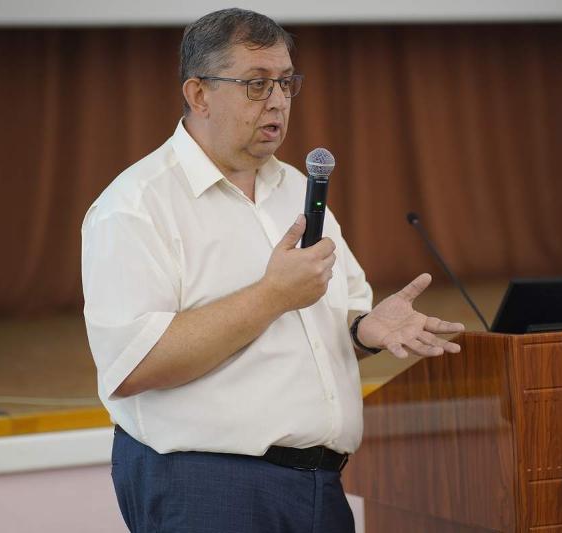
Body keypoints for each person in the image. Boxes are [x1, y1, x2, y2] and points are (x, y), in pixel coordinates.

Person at [81, 8, 464, 533]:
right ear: (199, 94)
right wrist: (271, 295)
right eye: (256, 84)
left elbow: (324, 326)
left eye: (286, 83)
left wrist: (363, 329)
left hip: (319, 485)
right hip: (207, 488)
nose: (278, 100)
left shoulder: (298, 190)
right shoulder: (136, 206)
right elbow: (133, 366)